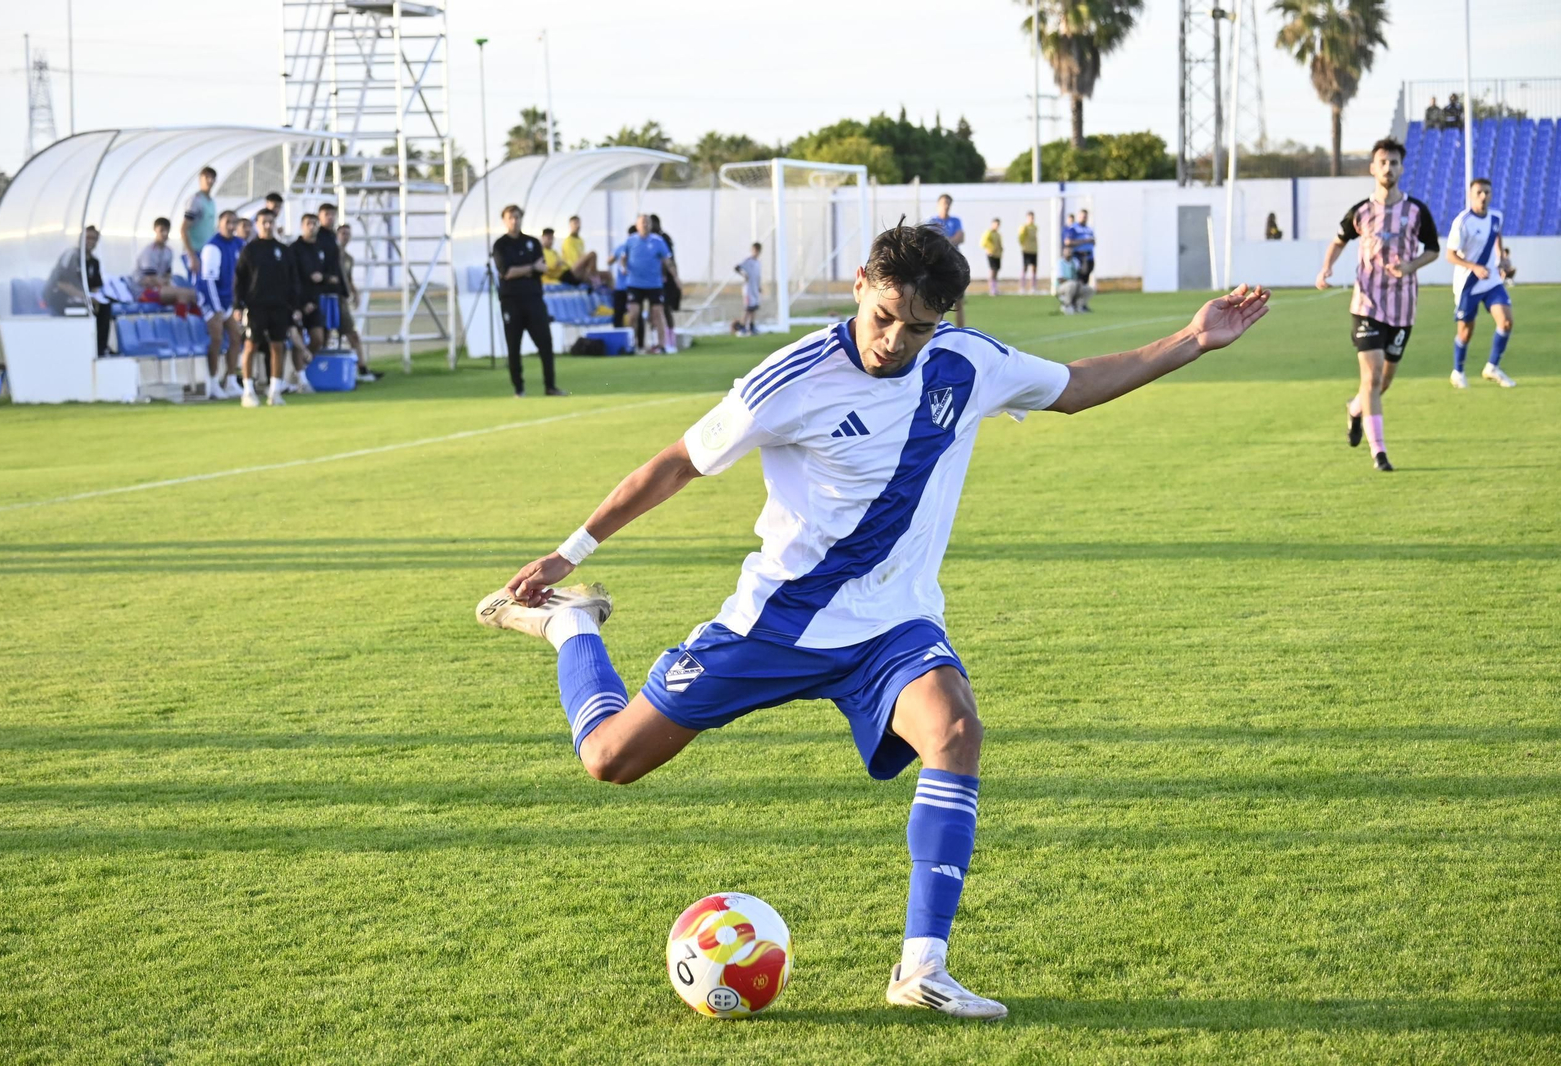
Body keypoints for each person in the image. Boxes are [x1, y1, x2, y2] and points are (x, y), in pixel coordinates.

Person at [476, 219, 1270, 1021]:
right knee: (611, 760)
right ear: (861, 283)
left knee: (956, 730)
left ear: (945, 321)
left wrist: (1191, 341)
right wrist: (569, 554)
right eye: (884, 315)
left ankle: (922, 968)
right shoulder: (791, 378)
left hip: (892, 625)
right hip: (776, 624)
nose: (894, 339)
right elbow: (678, 462)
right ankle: (573, 630)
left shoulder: (968, 363)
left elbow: (1071, 384)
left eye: (918, 327)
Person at [1316, 137, 1439, 472]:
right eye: (1382, 162)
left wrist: (1410, 267)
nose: (1388, 168)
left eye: (1394, 162)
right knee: (1370, 379)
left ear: (1402, 167)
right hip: (1367, 305)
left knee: (1383, 382)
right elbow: (1339, 240)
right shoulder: (1361, 211)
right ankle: (1379, 452)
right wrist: (1327, 266)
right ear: (1373, 168)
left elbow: (1433, 249)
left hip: (1402, 308)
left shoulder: (1416, 211)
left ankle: (1356, 409)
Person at [1446, 177, 1516, 389]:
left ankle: (1492, 367)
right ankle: (1458, 371)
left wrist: (1503, 262)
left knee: (1506, 321)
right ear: (1471, 195)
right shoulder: (1463, 221)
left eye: (1487, 192)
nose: (1483, 196)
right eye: (1479, 192)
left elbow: (1496, 239)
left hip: (1492, 280)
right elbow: (1450, 255)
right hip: (1468, 283)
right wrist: (1473, 266)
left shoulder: (1496, 217)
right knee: (1466, 332)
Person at [491, 204, 564, 397]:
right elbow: (507, 272)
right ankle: (519, 388)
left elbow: (543, 267)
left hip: (534, 300)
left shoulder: (532, 242)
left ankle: (550, 386)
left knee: (545, 343)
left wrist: (525, 269)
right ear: (505, 221)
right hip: (511, 302)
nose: (514, 221)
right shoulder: (500, 245)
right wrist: (531, 268)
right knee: (514, 346)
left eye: (517, 217)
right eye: (510, 218)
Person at [233, 208, 302, 407]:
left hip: (279, 306)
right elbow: (240, 279)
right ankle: (247, 391)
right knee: (251, 346)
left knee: (278, 346)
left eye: (270, 221)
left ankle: (275, 391)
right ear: (257, 224)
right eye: (263, 222)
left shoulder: (283, 250)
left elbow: (293, 280)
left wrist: (295, 305)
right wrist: (238, 305)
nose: (267, 225)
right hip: (256, 306)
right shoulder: (250, 250)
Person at [196, 210, 245, 400]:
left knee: (235, 338)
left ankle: (231, 380)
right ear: (220, 224)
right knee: (216, 340)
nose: (231, 226)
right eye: (228, 222)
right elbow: (208, 281)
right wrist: (216, 308)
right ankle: (213, 382)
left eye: (235, 222)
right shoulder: (212, 247)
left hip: (226, 301)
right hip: (210, 300)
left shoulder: (238, 244)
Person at [43, 225, 114, 356]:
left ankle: (100, 348)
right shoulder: (72, 255)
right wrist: (86, 297)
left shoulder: (94, 262)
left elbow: (95, 287)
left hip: (80, 299)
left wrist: (96, 298)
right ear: (81, 239)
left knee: (104, 306)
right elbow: (62, 283)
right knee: (85, 308)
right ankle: (78, 348)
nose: (91, 241)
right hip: (59, 298)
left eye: (94, 239)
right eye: (88, 238)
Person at [621, 214, 678, 355]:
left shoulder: (658, 241)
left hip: (654, 284)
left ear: (650, 225)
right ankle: (632, 344)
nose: (645, 225)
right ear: (637, 225)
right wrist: (623, 267)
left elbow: (667, 261)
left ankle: (661, 345)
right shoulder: (630, 241)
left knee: (658, 313)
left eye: (647, 223)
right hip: (635, 283)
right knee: (633, 314)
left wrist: (675, 277)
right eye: (642, 223)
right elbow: (623, 257)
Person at [335, 223, 381, 382]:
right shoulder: (330, 255)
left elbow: (348, 278)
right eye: (342, 233)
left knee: (352, 334)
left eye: (347, 233)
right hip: (331, 299)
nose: (345, 236)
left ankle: (362, 368)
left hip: (342, 300)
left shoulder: (348, 258)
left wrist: (355, 293)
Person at [131, 218, 197, 307]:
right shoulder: (149, 251)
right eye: (162, 230)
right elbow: (150, 279)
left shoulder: (168, 251)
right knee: (182, 294)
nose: (165, 234)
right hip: (144, 293)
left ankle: (190, 319)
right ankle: (181, 319)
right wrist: (165, 284)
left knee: (192, 294)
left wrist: (165, 283)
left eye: (167, 230)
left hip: (159, 289)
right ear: (155, 230)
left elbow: (167, 276)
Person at [291, 213, 331, 352]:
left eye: (315, 224)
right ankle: (298, 370)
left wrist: (323, 277)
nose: (312, 227)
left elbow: (329, 273)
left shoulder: (320, 248)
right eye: (308, 223)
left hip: (314, 301)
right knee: (298, 338)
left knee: (318, 339)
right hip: (297, 301)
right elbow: (291, 278)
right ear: (302, 226)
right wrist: (299, 304)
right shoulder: (294, 249)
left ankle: (306, 366)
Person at [926, 194, 965, 326]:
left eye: (948, 203)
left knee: (958, 300)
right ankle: (938, 328)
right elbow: (932, 240)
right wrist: (950, 241)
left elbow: (961, 237)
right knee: (937, 301)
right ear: (938, 205)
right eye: (944, 203)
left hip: (954, 263)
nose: (946, 206)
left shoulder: (956, 221)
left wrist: (944, 242)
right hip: (938, 264)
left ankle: (961, 330)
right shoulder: (932, 222)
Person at [315, 203, 350, 345]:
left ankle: (325, 356)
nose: (330, 217)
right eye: (326, 214)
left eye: (332, 214)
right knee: (321, 327)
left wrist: (344, 288)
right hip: (322, 290)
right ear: (320, 216)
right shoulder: (318, 237)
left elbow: (338, 264)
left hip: (334, 290)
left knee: (330, 327)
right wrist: (326, 278)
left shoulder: (332, 236)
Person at [650, 214, 681, 350]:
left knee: (664, 308)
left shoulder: (661, 239)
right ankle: (664, 339)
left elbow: (665, 260)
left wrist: (667, 275)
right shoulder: (657, 239)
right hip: (658, 279)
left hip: (665, 280)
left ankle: (669, 340)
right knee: (658, 309)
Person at [180, 166, 217, 278]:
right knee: (195, 287)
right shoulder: (195, 200)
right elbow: (184, 229)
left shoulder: (211, 201)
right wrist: (192, 256)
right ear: (200, 179)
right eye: (207, 177)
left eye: (212, 178)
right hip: (195, 252)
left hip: (205, 252)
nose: (209, 180)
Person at [561, 215, 605, 287]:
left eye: (579, 223)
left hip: (582, 270)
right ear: (570, 225)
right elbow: (574, 261)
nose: (578, 226)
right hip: (572, 271)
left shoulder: (581, 240)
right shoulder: (568, 241)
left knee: (608, 275)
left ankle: (614, 294)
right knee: (592, 254)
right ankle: (595, 282)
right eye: (575, 223)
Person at [734, 242, 763, 336]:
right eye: (754, 250)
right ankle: (742, 327)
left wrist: (759, 287)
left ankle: (751, 327)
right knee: (747, 309)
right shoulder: (748, 261)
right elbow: (737, 267)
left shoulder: (758, 263)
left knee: (754, 308)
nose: (756, 252)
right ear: (752, 250)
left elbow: (757, 276)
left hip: (754, 289)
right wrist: (744, 275)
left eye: (758, 251)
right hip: (748, 289)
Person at [610, 224, 633, 329]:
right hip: (623, 287)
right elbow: (610, 261)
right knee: (620, 315)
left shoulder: (638, 249)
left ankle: (635, 340)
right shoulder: (623, 248)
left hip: (631, 287)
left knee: (632, 315)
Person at [1065, 209, 1095, 286]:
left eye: (1085, 216)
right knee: (1079, 278)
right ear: (1078, 217)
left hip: (1089, 257)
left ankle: (1082, 294)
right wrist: (1084, 241)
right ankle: (1077, 294)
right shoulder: (1074, 228)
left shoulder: (1089, 229)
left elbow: (1093, 242)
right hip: (1079, 256)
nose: (1084, 218)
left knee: (1086, 278)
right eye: (1082, 216)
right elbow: (1068, 242)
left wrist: (1092, 241)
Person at [1055, 246, 1089, 315]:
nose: (1069, 252)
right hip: (1061, 287)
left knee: (1088, 289)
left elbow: (1083, 272)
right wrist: (1074, 282)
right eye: (1067, 250)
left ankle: (1079, 306)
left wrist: (1085, 258)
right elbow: (1060, 279)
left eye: (1070, 250)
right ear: (1063, 252)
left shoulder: (1074, 261)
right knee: (1072, 284)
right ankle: (1067, 304)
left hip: (1073, 285)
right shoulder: (1060, 263)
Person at [979, 219, 1003, 297]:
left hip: (997, 255)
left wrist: (1001, 250)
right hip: (991, 254)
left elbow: (999, 244)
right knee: (992, 271)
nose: (997, 226)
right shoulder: (988, 233)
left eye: (998, 225)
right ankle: (991, 289)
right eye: (996, 224)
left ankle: (995, 288)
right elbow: (983, 242)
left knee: (996, 271)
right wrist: (989, 249)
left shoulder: (997, 234)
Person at [1017, 211, 1038, 295]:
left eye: (1033, 217)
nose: (1031, 219)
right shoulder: (1024, 227)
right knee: (1025, 268)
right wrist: (1024, 245)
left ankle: (1033, 287)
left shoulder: (1035, 227)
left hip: (1034, 250)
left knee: (1034, 268)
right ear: (1027, 218)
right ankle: (1022, 287)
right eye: (1030, 217)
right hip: (1026, 250)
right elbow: (1020, 237)